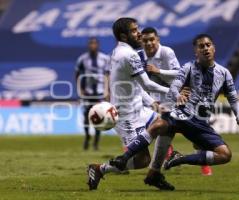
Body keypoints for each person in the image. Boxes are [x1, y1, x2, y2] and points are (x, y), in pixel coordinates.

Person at [108, 33, 239, 189]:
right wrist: (178, 96)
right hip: (180, 114)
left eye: (208, 45)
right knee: (159, 124)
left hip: (200, 122)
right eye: (201, 46)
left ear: (214, 48)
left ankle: (179, 159)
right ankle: (125, 157)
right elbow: (174, 88)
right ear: (196, 51)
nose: (205, 48)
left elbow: (233, 98)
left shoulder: (224, 73)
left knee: (225, 155)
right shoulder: (188, 68)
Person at [87, 17, 175, 191]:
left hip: (139, 110)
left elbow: (136, 86)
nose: (139, 33)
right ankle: (99, 169)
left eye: (138, 29)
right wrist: (175, 93)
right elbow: (147, 84)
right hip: (126, 116)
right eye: (134, 30)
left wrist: (152, 103)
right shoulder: (129, 55)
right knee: (142, 160)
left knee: (167, 125)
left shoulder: (118, 52)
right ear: (124, 36)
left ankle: (155, 174)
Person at [140, 27, 213, 176]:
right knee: (157, 132)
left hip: (178, 100)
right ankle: (159, 166)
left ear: (157, 40)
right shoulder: (139, 57)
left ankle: (202, 164)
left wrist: (158, 71)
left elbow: (178, 75)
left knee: (195, 136)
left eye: (152, 39)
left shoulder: (166, 52)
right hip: (158, 103)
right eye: (145, 40)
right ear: (141, 41)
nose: (149, 43)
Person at [75, 37, 110, 150]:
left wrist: (107, 90)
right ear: (88, 45)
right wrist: (80, 89)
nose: (92, 45)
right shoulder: (82, 59)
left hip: (100, 92)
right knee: (86, 116)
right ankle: (87, 136)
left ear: (98, 45)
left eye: (95, 43)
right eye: (91, 43)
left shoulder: (105, 59)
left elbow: (108, 75)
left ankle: (96, 142)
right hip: (88, 92)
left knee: (99, 117)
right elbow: (77, 74)